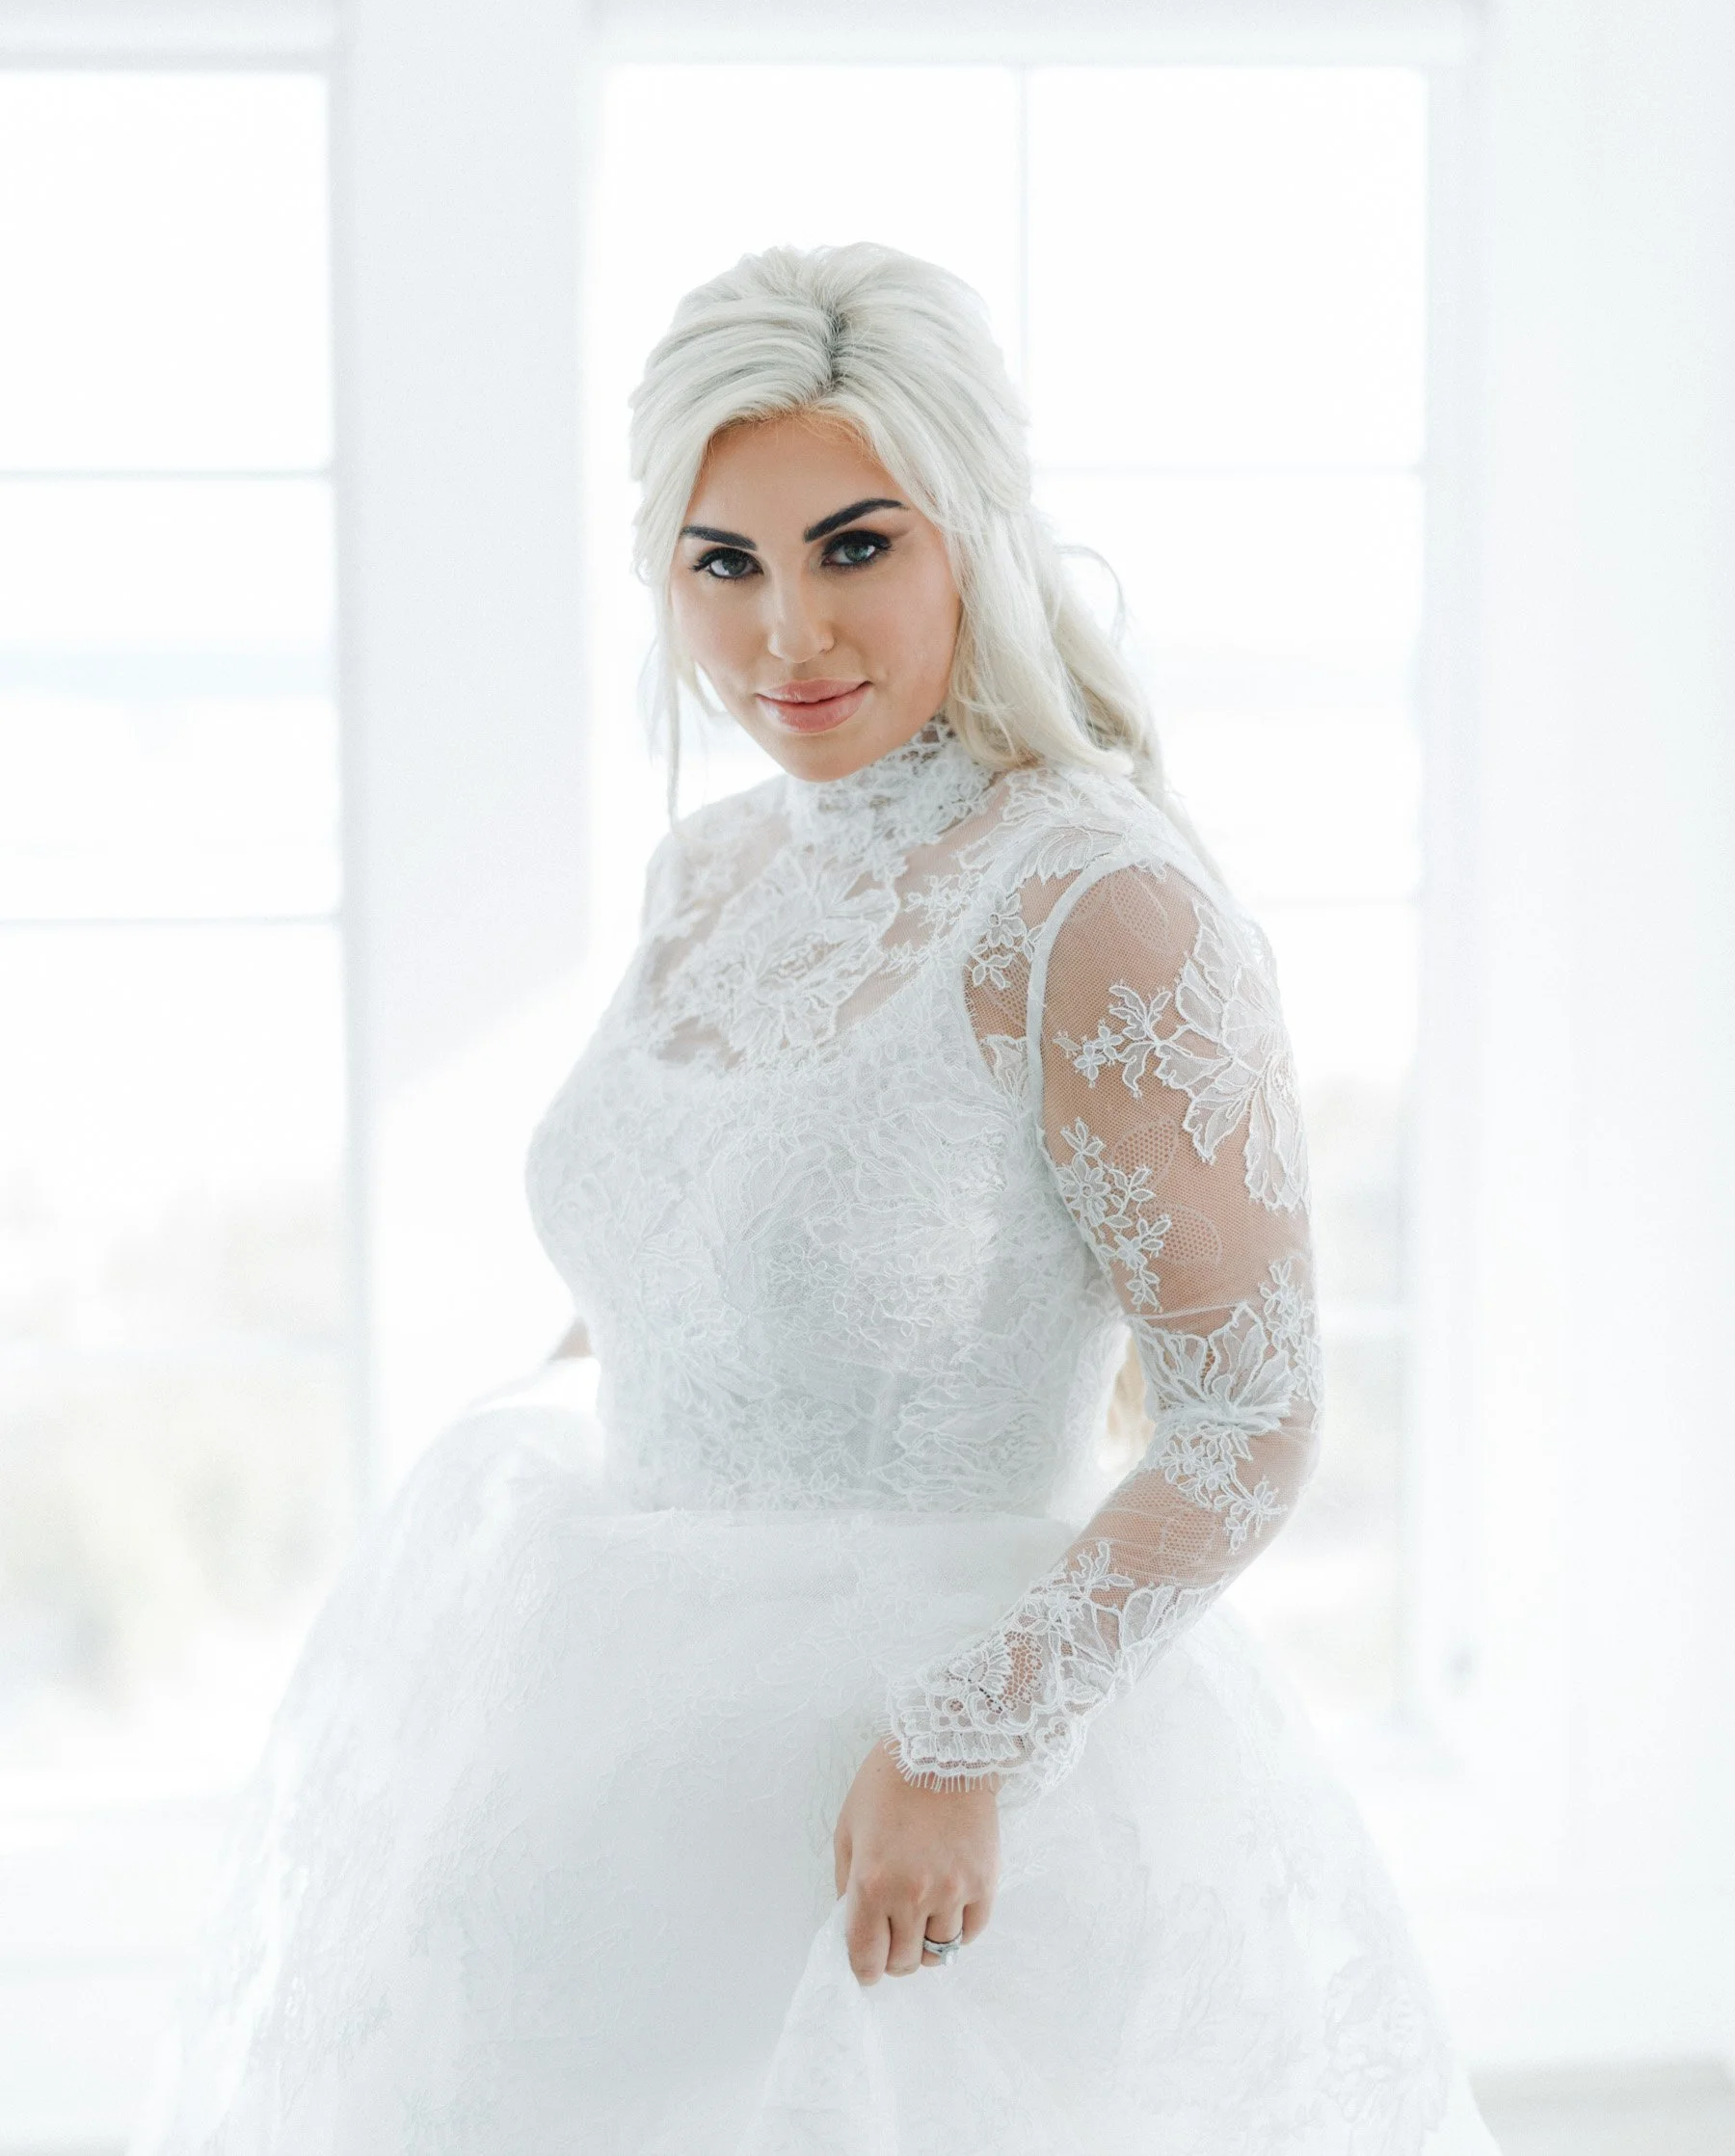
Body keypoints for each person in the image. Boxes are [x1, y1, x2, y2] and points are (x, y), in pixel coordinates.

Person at [130, 243, 1501, 2152]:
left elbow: (1253, 1419)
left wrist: (962, 1748)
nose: (788, 633)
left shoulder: (1095, 900)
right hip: (607, 1749)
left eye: (854, 547)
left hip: (929, 1801)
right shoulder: (700, 874)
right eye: (726, 564)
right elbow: (670, 1258)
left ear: (974, 537)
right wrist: (486, 1552)